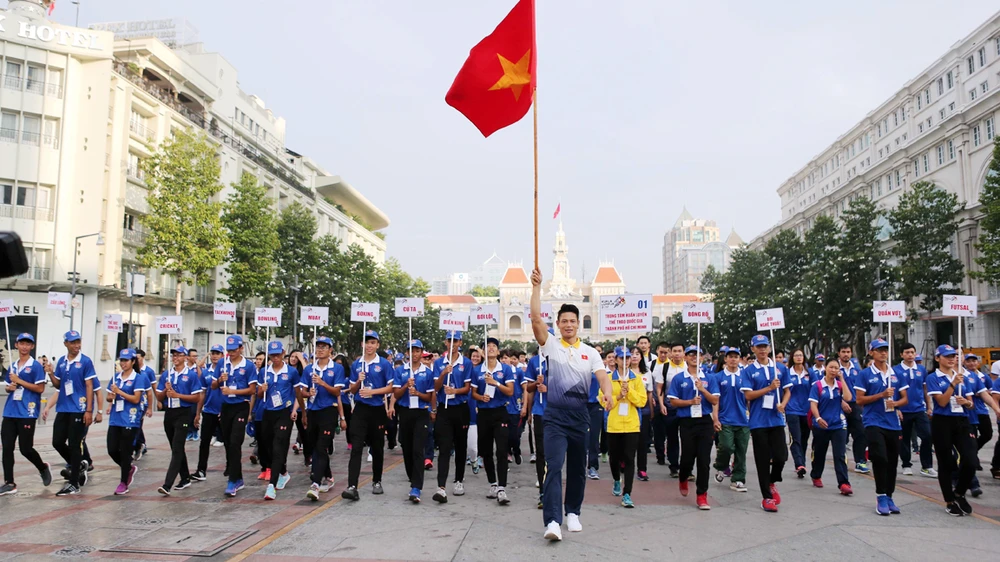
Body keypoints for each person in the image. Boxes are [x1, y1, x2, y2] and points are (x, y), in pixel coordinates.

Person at [530, 268, 612, 542]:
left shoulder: (590, 353)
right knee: (554, 466)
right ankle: (552, 521)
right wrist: (536, 288)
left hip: (580, 418)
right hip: (554, 418)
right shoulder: (551, 345)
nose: (568, 325)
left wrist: (608, 393)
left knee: (578, 468)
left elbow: (602, 376)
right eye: (563, 321)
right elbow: (535, 319)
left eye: (572, 321)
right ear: (558, 323)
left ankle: (573, 512)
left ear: (578, 324)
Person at [854, 339, 907, 515]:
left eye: (885, 350)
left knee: (892, 461)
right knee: (880, 458)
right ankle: (881, 495)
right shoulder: (865, 374)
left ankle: (890, 495)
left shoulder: (896, 374)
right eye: (879, 350)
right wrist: (881, 395)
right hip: (873, 421)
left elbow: (905, 399)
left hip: (892, 423)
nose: (883, 353)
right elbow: (860, 400)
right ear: (871, 353)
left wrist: (895, 403)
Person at [342, 330, 395, 501]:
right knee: (356, 447)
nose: (369, 345)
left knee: (377, 447)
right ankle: (352, 486)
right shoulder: (357, 364)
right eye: (367, 342)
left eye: (373, 342)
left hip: (377, 409)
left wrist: (373, 392)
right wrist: (358, 380)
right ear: (362, 344)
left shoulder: (384, 364)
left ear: (377, 345)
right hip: (360, 409)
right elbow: (352, 389)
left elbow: (390, 388)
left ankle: (377, 480)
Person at [741, 334, 791, 513]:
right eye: (758, 347)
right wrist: (769, 388)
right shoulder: (748, 371)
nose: (762, 350)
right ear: (753, 349)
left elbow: (787, 391)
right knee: (762, 460)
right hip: (758, 421)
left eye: (765, 346)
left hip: (776, 419)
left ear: (770, 348)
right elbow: (748, 395)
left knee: (781, 456)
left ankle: (772, 480)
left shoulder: (780, 369)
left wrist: (783, 404)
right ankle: (767, 497)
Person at [925, 344, 977, 516]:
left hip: (961, 420)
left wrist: (966, 403)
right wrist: (953, 385)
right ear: (938, 358)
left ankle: (960, 492)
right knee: (946, 462)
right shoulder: (933, 377)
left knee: (970, 460)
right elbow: (941, 402)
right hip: (942, 421)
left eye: (953, 355)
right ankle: (949, 500)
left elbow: (971, 404)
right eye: (947, 356)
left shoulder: (961, 376)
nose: (951, 359)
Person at [668, 345, 720, 510]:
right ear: (685, 357)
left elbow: (714, 400)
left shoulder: (710, 378)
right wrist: (690, 402)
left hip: (704, 421)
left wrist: (702, 390)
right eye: (690, 355)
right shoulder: (679, 378)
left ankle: (702, 494)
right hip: (687, 421)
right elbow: (673, 402)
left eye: (697, 355)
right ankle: (683, 477)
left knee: (704, 460)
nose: (694, 357)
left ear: (702, 358)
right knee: (687, 457)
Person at [0, 333, 52, 495]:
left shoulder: (35, 366)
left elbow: (40, 389)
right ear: (16, 345)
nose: (24, 346)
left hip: (27, 412)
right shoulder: (13, 365)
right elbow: (8, 386)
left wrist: (20, 381)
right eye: (21, 343)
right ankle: (10, 482)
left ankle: (42, 467)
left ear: (32, 347)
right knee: (7, 448)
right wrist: (10, 387)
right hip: (10, 411)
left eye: (27, 344)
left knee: (25, 449)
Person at [47, 330, 96, 496]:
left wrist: (89, 410)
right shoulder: (62, 361)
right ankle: (79, 465)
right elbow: (58, 385)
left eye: (78, 342)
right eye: (73, 342)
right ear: (65, 344)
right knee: (57, 441)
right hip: (63, 407)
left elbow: (90, 386)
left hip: (79, 408)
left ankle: (74, 482)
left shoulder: (85, 361)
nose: (77, 345)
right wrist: (51, 373)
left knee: (75, 444)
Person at [471, 337, 515, 505]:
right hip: (483, 413)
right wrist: (481, 397)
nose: (490, 348)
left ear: (498, 351)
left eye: (493, 346)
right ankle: (493, 484)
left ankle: (502, 488)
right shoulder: (477, 371)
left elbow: (510, 391)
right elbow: (473, 393)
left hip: (500, 412)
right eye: (487, 346)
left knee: (502, 450)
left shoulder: (506, 369)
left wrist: (495, 382)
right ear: (483, 351)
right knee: (486, 451)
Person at [302, 337, 347, 501]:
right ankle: (328, 475)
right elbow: (302, 391)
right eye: (318, 347)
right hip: (312, 410)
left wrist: (322, 383)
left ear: (330, 350)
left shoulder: (337, 369)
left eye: (324, 347)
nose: (320, 349)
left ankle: (315, 483)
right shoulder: (309, 369)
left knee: (322, 446)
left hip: (328, 410)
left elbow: (337, 392)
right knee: (314, 446)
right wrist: (308, 393)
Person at [155, 345, 203, 496]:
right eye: (173, 355)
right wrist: (165, 390)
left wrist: (178, 395)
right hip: (169, 413)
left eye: (179, 355)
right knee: (176, 447)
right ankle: (185, 477)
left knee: (177, 448)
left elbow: (197, 397)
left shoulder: (191, 375)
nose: (175, 358)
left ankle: (167, 484)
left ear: (185, 357)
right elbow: (159, 397)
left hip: (183, 412)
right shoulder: (167, 375)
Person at [214, 334, 258, 497]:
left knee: (235, 441)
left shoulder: (249, 366)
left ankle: (232, 480)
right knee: (228, 443)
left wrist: (233, 391)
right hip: (226, 407)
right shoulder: (222, 363)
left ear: (241, 348)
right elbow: (212, 385)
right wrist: (220, 379)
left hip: (241, 406)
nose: (231, 353)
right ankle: (237, 477)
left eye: (234, 350)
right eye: (229, 350)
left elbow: (252, 390)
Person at [603, 346, 647, 508]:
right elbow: (604, 402)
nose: (625, 361)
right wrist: (619, 395)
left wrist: (629, 392)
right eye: (622, 358)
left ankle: (627, 492)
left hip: (631, 425)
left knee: (629, 458)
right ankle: (616, 479)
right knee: (614, 458)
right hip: (613, 425)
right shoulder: (608, 378)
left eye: (627, 358)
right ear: (616, 360)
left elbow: (642, 401)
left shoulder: (636, 378)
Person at [257, 341, 302, 500]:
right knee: (268, 446)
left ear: (283, 353)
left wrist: (297, 410)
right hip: (268, 412)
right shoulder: (263, 372)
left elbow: (298, 392)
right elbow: (257, 394)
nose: (275, 357)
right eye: (272, 355)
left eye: (278, 354)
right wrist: (261, 390)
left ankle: (271, 485)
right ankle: (283, 472)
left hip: (285, 412)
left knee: (278, 445)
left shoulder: (291, 372)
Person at [432, 330, 472, 503]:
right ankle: (441, 487)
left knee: (461, 446)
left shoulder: (467, 363)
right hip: (444, 409)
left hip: (460, 409)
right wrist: (443, 374)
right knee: (444, 447)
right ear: (446, 343)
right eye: (450, 340)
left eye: (456, 340)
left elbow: (467, 387)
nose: (453, 343)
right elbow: (435, 387)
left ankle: (459, 480)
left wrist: (455, 390)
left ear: (460, 343)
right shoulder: (439, 363)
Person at [393, 339, 436, 503]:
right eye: (411, 351)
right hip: (405, 412)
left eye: (417, 351)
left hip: (421, 413)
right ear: (407, 353)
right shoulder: (400, 371)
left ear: (421, 352)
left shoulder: (427, 372)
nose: (414, 354)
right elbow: (396, 395)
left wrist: (418, 393)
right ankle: (413, 478)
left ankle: (416, 487)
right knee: (407, 447)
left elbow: (430, 396)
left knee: (418, 449)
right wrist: (406, 386)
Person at [105, 348, 149, 495]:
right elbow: (109, 397)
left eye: (126, 360)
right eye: (121, 360)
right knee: (112, 449)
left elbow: (136, 399)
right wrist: (111, 397)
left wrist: (120, 392)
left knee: (125, 452)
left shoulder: (138, 378)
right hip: (115, 419)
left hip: (130, 419)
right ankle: (128, 468)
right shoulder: (116, 377)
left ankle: (123, 482)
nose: (123, 363)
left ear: (133, 361)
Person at [808, 358, 853, 495]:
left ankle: (844, 483)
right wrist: (818, 418)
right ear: (825, 368)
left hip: (838, 425)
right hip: (821, 425)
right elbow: (813, 405)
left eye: (836, 368)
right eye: (831, 367)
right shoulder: (817, 386)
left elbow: (848, 397)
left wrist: (842, 380)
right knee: (819, 453)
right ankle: (816, 475)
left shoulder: (839, 385)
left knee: (839, 454)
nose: (833, 370)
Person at [960, 353, 1000, 497]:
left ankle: (972, 483)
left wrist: (996, 409)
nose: (970, 363)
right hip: (951, 420)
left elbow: (987, 392)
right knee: (957, 454)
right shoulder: (942, 377)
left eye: (958, 355)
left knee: (985, 436)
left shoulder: (976, 377)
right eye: (953, 356)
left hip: (975, 414)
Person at [895, 343, 935, 478]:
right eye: (907, 352)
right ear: (901, 355)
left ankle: (927, 466)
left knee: (927, 435)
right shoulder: (896, 370)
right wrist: (896, 408)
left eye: (912, 352)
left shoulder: (921, 370)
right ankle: (906, 464)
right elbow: (894, 391)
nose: (910, 355)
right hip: (903, 409)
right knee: (904, 438)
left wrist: (929, 406)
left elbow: (925, 389)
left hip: (919, 408)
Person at [712, 346, 748, 492]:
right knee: (726, 446)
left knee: (741, 450)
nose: (733, 359)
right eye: (730, 356)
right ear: (725, 359)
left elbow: (749, 398)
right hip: (725, 418)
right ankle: (721, 466)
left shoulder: (745, 376)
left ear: (739, 359)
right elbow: (715, 399)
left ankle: (738, 479)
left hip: (743, 419)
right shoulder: (718, 377)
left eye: (736, 356)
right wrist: (715, 418)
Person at [653, 343, 687, 478]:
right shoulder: (664, 368)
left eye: (680, 351)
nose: (677, 354)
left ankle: (687, 467)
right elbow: (660, 389)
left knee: (687, 439)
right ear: (670, 353)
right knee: (672, 438)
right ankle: (674, 466)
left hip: (686, 407)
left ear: (684, 353)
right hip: (670, 407)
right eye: (675, 351)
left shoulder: (688, 367)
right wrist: (661, 405)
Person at [836, 344, 868, 474]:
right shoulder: (834, 367)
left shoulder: (856, 369)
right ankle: (841, 460)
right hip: (838, 405)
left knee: (861, 433)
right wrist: (841, 401)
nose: (846, 354)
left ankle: (860, 461)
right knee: (841, 435)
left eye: (848, 352)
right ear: (839, 353)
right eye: (843, 351)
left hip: (855, 405)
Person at [195, 345, 225, 481]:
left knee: (230, 442)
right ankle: (201, 470)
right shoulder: (206, 372)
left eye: (218, 353)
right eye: (213, 353)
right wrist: (197, 413)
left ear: (223, 355)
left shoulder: (227, 371)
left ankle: (231, 467)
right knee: (204, 441)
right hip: (208, 411)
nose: (214, 356)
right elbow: (202, 392)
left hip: (225, 411)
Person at [524, 342, 548, 508]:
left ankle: (553, 488)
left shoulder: (563, 359)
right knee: (541, 453)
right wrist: (537, 384)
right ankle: (543, 492)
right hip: (540, 412)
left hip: (558, 412)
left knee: (555, 454)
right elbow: (529, 387)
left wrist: (549, 387)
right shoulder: (535, 361)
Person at [785, 349, 815, 478]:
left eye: (801, 355)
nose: (798, 357)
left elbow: (815, 390)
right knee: (795, 437)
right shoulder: (787, 373)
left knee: (804, 438)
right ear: (792, 357)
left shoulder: (810, 373)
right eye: (796, 355)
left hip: (807, 410)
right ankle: (799, 464)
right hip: (792, 410)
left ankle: (801, 462)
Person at [132, 349, 156, 461]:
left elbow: (152, 388)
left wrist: (155, 403)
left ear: (143, 358)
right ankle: (141, 443)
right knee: (134, 424)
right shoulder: (130, 371)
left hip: (143, 403)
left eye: (138, 357)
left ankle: (137, 445)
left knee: (137, 423)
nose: (136, 360)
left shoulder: (148, 372)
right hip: (131, 403)